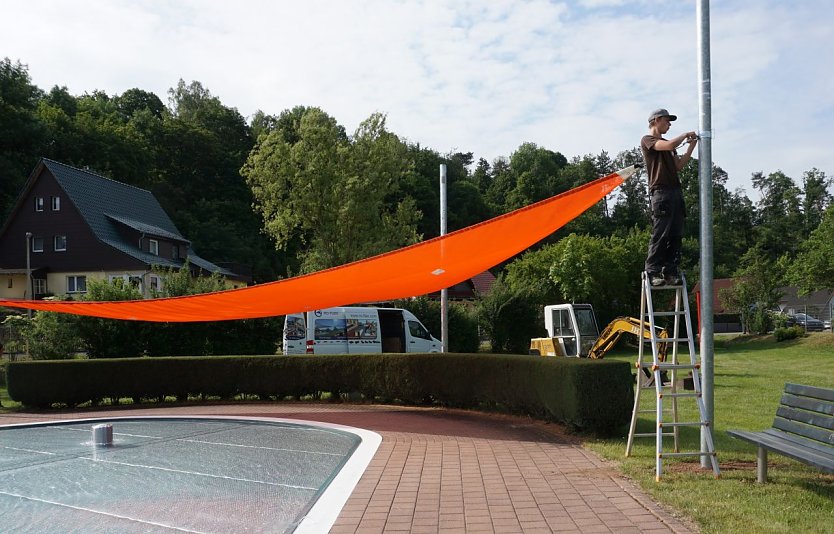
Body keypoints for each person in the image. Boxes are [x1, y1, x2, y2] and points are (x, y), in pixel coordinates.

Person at [642, 108, 698, 286]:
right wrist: (684, 136)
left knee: (675, 234)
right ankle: (653, 271)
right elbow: (669, 146)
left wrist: (691, 146)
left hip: (675, 192)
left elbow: (678, 166)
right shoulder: (649, 140)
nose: (669, 124)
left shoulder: (668, 144)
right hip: (661, 193)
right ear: (656, 120)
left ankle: (670, 270)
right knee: (661, 233)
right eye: (667, 120)